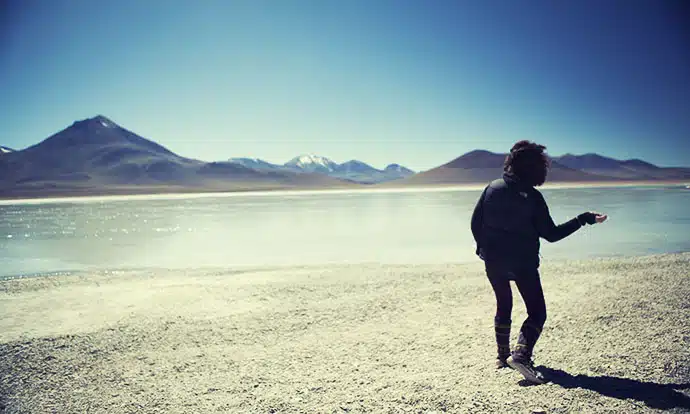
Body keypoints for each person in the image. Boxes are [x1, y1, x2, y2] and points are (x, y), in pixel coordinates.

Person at [470, 140, 607, 384]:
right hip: (523, 263)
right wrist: (583, 219)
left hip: (494, 261)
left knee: (504, 304)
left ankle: (502, 357)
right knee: (537, 312)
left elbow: (475, 222)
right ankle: (520, 356)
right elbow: (551, 234)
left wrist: (484, 250)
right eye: (543, 166)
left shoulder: (492, 188)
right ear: (534, 168)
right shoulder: (533, 198)